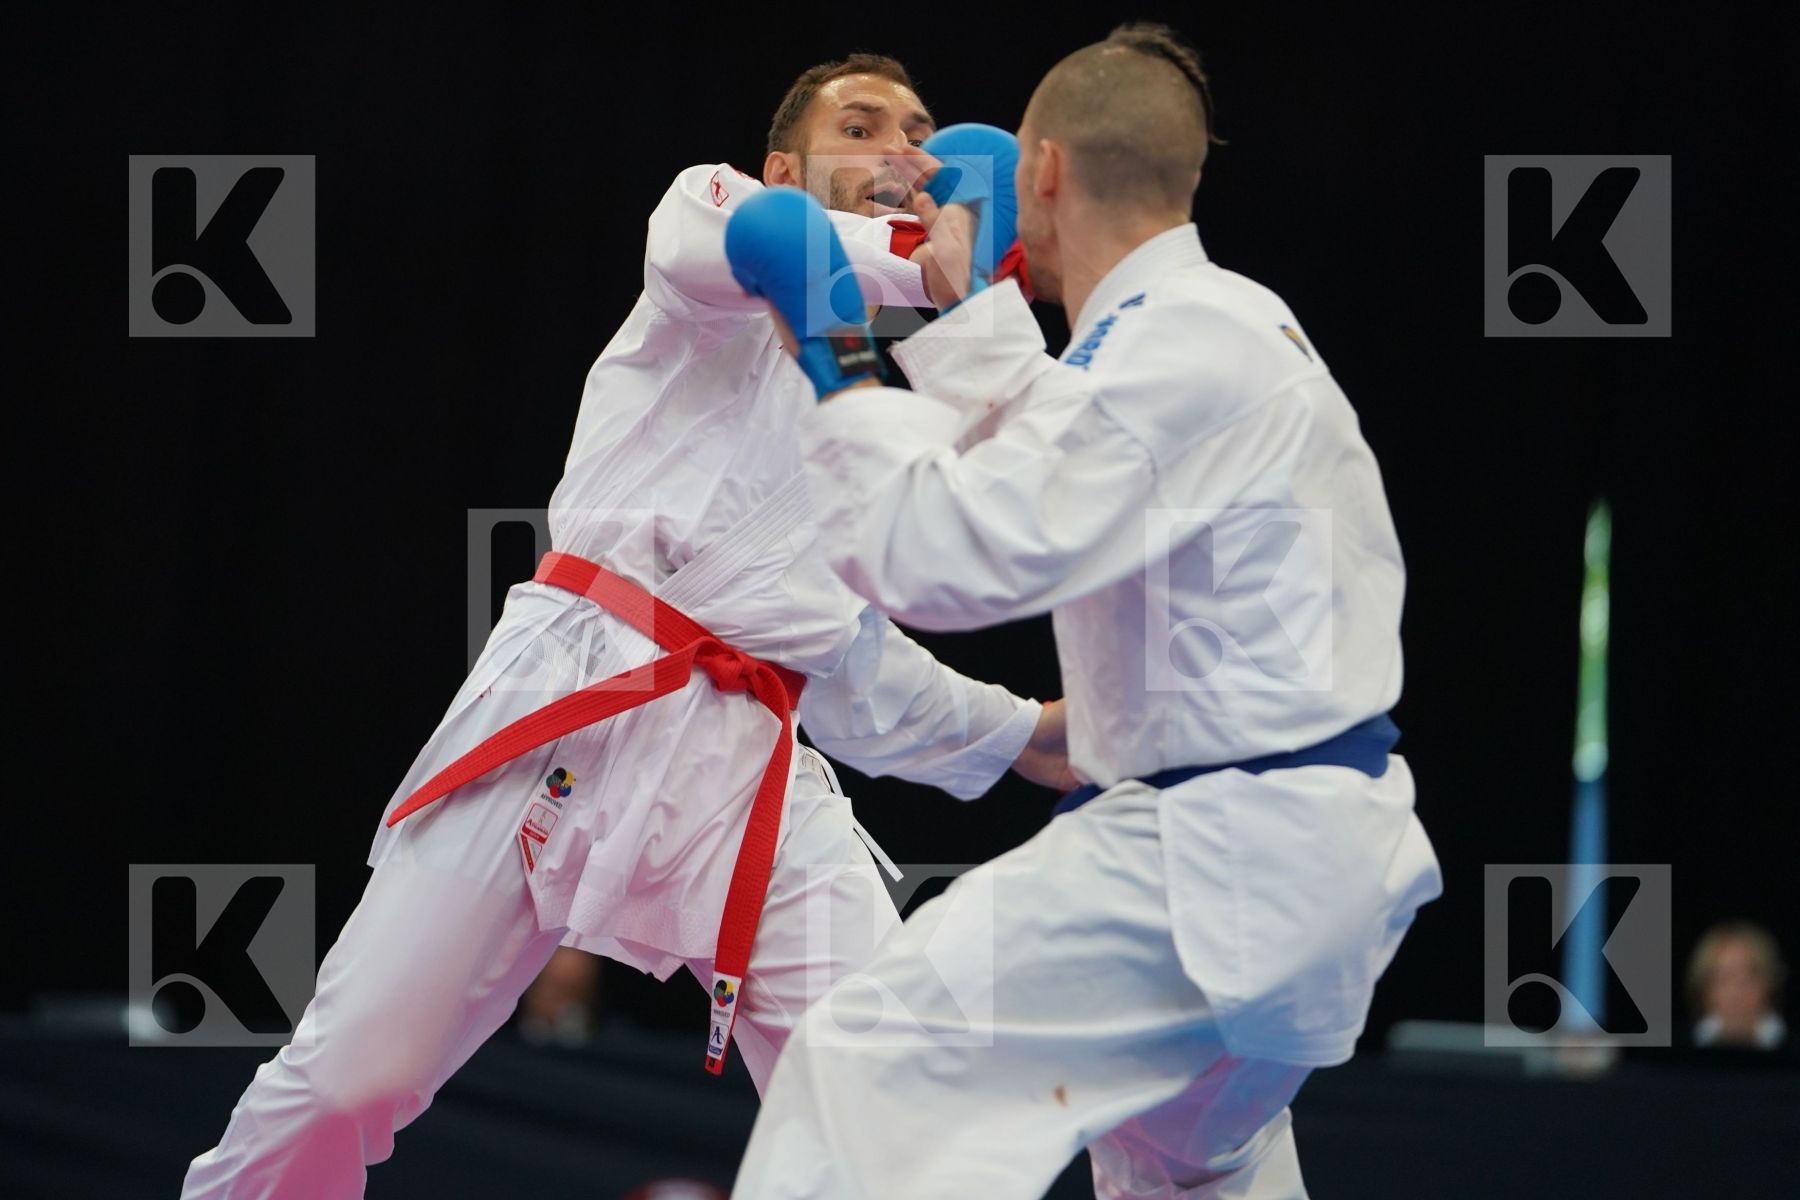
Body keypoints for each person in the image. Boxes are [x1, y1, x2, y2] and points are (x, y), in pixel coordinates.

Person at [182, 54, 1068, 1198]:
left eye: (920, 132)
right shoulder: (709, 222)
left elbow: (833, 659)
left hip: (744, 768)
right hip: (576, 704)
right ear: (783, 166)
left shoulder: (868, 412)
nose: (905, 150)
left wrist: (1025, 734)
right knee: (349, 1083)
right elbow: (769, 250)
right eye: (864, 125)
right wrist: (946, 273)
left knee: (905, 1101)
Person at [723, 24, 1441, 1199]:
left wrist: (838, 347)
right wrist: (965, 319)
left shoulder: (1181, 348)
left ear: (1042, 172)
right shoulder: (1203, 327)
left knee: (862, 1073)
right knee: (1185, 1176)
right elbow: (1068, 436)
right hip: (1298, 872)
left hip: (1210, 863)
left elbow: (943, 556)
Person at [1686, 920, 1788, 1050]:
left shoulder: (1792, 1056)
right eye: (1723, 978)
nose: (1736, 992)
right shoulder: (1676, 1058)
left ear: (1769, 984)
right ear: (1704, 988)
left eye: (1748, 978)